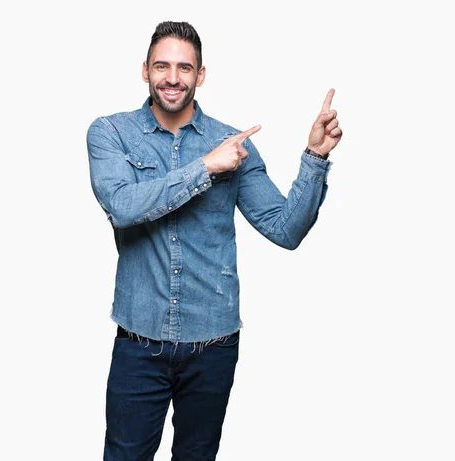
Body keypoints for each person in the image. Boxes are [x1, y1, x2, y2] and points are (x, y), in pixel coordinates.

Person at [86, 20, 342, 461]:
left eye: (184, 68)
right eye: (162, 66)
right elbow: (124, 206)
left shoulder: (234, 145)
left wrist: (315, 158)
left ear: (200, 75)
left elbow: (285, 230)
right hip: (138, 343)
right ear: (144, 70)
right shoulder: (110, 133)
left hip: (213, 345)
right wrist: (205, 167)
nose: (172, 77)